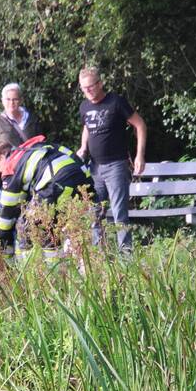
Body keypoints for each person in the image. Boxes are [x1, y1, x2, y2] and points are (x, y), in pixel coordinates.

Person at [75, 66, 146, 253]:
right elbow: (87, 127)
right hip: (95, 167)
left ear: (100, 83)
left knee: (119, 214)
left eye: (90, 86)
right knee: (95, 213)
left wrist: (139, 156)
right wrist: (83, 147)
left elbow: (140, 125)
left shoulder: (116, 102)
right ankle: (99, 256)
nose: (88, 91)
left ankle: (126, 256)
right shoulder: (84, 106)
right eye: (84, 88)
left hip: (116, 164)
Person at [0, 138, 92, 255]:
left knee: (32, 226)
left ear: (1, 157)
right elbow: (66, 152)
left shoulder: (11, 168)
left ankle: (48, 267)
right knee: (70, 226)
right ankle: (80, 262)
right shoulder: (31, 148)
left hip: (55, 183)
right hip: (82, 179)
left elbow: (7, 214)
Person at [0, 83, 42, 154]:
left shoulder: (32, 119)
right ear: (2, 101)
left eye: (15, 99)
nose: (11, 102)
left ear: (21, 100)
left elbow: (41, 143)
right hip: (7, 164)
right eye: (8, 99)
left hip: (31, 163)